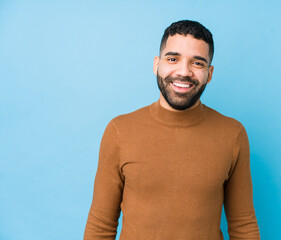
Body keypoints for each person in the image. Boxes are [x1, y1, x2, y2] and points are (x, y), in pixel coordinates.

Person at [84, 20, 260, 240]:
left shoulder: (233, 134)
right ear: (157, 64)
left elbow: (243, 225)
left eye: (197, 63)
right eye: (173, 59)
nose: (184, 72)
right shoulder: (119, 130)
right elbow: (101, 225)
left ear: (210, 73)